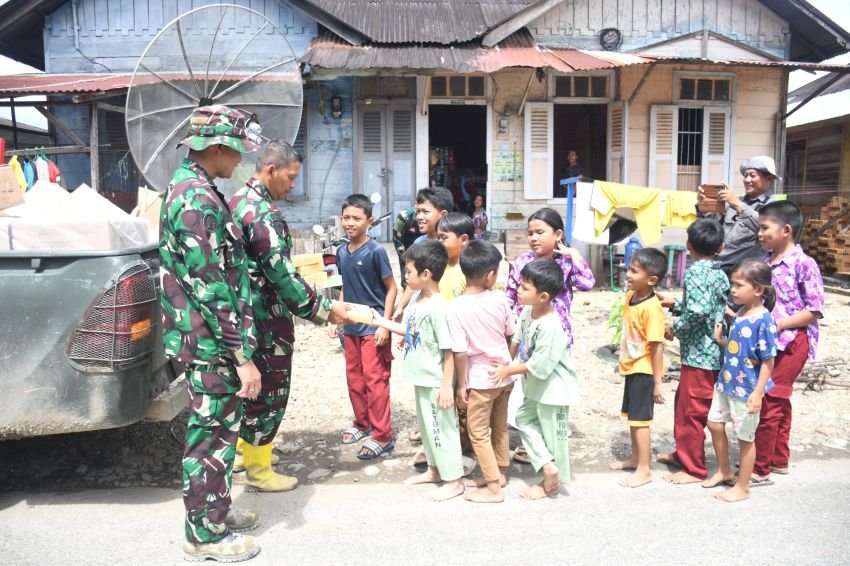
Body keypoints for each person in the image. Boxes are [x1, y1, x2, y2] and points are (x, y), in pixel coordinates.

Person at [160, 105, 262, 562]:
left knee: (222, 433)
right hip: (210, 343)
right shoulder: (195, 200)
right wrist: (242, 356)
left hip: (209, 340)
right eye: (238, 150)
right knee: (210, 438)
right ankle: (204, 534)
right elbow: (212, 287)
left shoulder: (197, 188)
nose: (241, 160)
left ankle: (215, 510)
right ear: (217, 147)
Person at [229, 140, 350, 492]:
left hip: (241, 316)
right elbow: (281, 275)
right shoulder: (263, 214)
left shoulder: (236, 202)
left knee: (247, 391)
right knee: (268, 393)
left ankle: (242, 453)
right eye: (291, 177)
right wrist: (324, 310)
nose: (293, 186)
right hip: (266, 320)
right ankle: (259, 471)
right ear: (271, 170)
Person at [370, 240, 465, 502]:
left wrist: (447, 386)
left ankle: (454, 481)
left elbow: (449, 350)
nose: (405, 276)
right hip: (421, 377)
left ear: (426, 274)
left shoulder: (439, 308)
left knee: (442, 429)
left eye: (409, 271)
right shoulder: (419, 300)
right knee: (428, 428)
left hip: (436, 381)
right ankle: (434, 470)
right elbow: (411, 330)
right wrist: (381, 321)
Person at [505, 207, 594, 463]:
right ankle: (534, 445)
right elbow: (509, 296)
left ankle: (552, 445)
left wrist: (574, 254)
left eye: (540, 232)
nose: (533, 238)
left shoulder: (566, 263)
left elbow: (587, 283)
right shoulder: (522, 262)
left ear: (557, 235)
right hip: (528, 336)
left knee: (552, 390)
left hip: (557, 337)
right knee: (529, 390)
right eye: (530, 233)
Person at [490, 259, 580, 500]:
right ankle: (548, 466)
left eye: (525, 287)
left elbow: (539, 365)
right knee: (524, 418)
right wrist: (506, 363)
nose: (518, 290)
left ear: (543, 296)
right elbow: (517, 338)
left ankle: (551, 483)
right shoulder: (528, 312)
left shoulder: (551, 326)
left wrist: (508, 371)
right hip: (536, 387)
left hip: (554, 390)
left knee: (554, 436)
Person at [753, 201, 824, 483]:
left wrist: (780, 324)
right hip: (770, 343)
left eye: (764, 228)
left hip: (793, 341)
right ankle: (778, 458)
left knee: (770, 400)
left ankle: (760, 468)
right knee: (779, 399)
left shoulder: (804, 264)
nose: (759, 233)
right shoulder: (765, 261)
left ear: (786, 230)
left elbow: (815, 309)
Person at [657, 219, 729, 484]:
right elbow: (709, 306)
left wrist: (675, 327)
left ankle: (693, 468)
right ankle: (683, 453)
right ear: (720, 247)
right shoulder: (720, 273)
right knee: (684, 405)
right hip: (710, 354)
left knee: (692, 411)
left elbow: (698, 312)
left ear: (688, 244)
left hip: (700, 356)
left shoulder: (694, 272)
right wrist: (676, 304)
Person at [703, 259, 777, 502]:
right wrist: (722, 341)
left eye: (739, 285)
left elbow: (768, 360)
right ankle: (724, 469)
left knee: (745, 438)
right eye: (732, 284)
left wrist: (758, 393)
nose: (733, 290)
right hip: (726, 383)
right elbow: (740, 349)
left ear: (758, 289)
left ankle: (743, 487)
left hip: (746, 390)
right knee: (714, 424)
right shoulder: (741, 313)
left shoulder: (764, 320)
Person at [448, 240, 515, 503]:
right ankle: (499, 473)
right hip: (504, 374)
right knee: (499, 426)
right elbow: (511, 334)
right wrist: (507, 362)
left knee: (477, 431)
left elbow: (460, 351)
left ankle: (493, 487)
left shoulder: (455, 308)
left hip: (480, 379)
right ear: (490, 275)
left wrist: (461, 385)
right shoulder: (500, 299)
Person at [333, 193, 398, 460]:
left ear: (369, 221)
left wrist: (385, 325)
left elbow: (392, 288)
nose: (350, 223)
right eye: (346, 217)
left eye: (356, 218)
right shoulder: (340, 252)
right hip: (351, 326)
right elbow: (345, 287)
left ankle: (382, 436)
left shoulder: (376, 251)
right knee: (355, 379)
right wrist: (336, 315)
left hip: (374, 326)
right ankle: (362, 424)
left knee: (375, 380)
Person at [609, 248, 667, 488]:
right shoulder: (631, 296)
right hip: (631, 366)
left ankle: (644, 469)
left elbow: (657, 347)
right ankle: (635, 459)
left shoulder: (652, 308)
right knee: (633, 418)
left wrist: (658, 382)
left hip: (644, 370)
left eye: (634, 271)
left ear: (651, 279)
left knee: (641, 420)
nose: (628, 274)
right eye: (629, 269)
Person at [698, 156, 777, 276]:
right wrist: (704, 205)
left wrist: (738, 205)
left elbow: (767, 231)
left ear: (769, 178)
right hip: (718, 265)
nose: (747, 180)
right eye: (745, 175)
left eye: (752, 175)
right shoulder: (734, 202)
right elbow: (713, 228)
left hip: (744, 272)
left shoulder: (774, 206)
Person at [392, 205, 420, 288]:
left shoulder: (434, 214)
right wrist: (404, 256)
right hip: (407, 248)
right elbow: (397, 237)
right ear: (416, 204)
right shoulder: (405, 216)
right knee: (408, 278)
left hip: (426, 247)